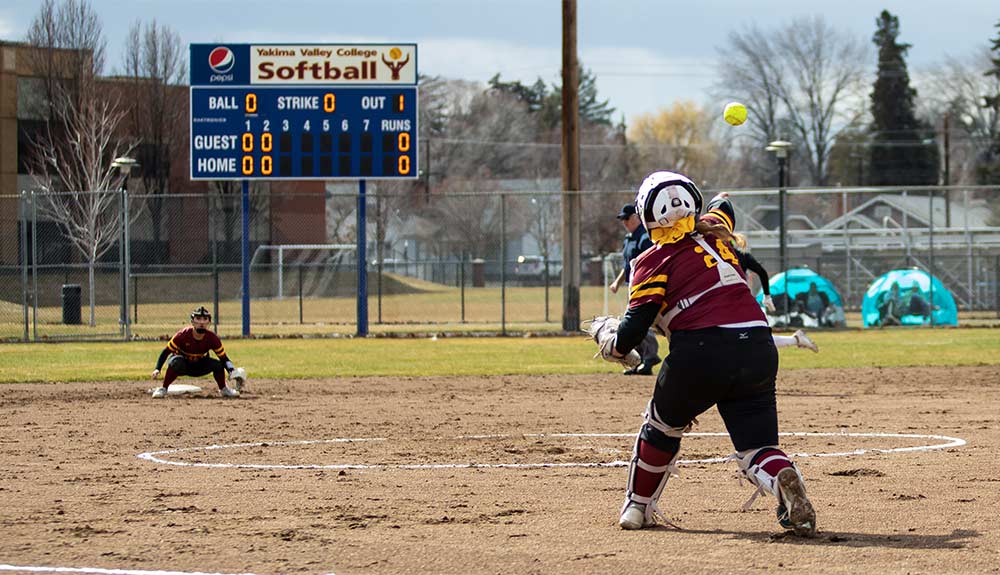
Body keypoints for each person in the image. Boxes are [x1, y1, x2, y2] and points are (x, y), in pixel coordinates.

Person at [606, 171, 816, 536]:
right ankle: (782, 478)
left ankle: (637, 508)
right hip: (758, 345)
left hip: (701, 351)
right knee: (758, 447)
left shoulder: (650, 261)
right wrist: (710, 209)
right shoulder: (715, 233)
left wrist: (608, 342)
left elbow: (630, 337)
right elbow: (725, 205)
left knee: (661, 427)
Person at [703, 193, 818, 353]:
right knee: (743, 338)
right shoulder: (709, 251)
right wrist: (717, 200)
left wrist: (767, 296)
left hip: (736, 301)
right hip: (724, 302)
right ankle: (796, 339)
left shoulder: (736, 254)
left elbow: (762, 272)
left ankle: (796, 339)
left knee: (751, 338)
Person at [609, 203, 661, 375]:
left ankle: (650, 356)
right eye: (622, 219)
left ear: (636, 217)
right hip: (632, 285)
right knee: (634, 322)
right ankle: (639, 361)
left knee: (638, 322)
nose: (624, 222)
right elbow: (628, 266)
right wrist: (617, 282)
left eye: (627, 218)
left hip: (646, 286)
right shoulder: (629, 239)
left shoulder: (644, 238)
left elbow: (650, 263)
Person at [151, 306, 242, 399]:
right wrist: (157, 368)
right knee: (176, 362)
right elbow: (166, 352)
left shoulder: (212, 338)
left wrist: (232, 371)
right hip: (182, 366)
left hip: (199, 366)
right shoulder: (182, 335)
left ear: (209, 322)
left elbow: (223, 358)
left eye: (205, 319)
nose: (201, 322)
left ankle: (224, 389)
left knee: (218, 365)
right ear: (192, 321)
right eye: (198, 319)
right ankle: (163, 388)